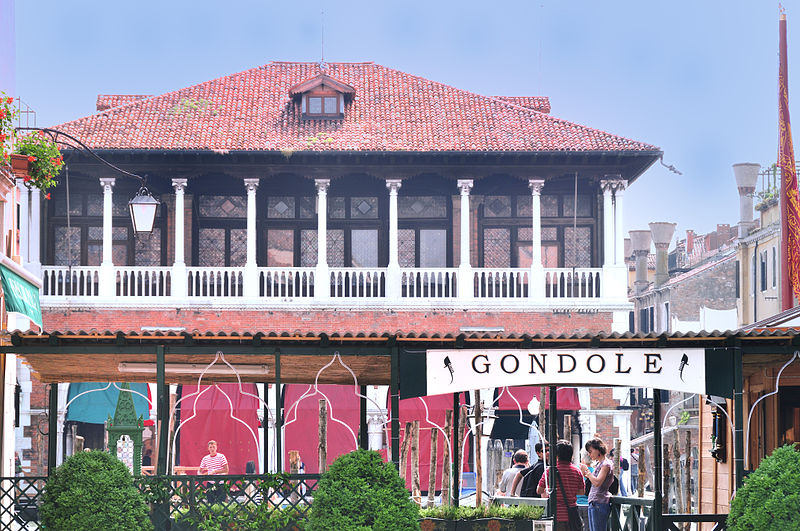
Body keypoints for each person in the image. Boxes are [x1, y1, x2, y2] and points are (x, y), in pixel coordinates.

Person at [537, 440, 584, 531]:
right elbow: (581, 492)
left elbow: (539, 490)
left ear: (556, 455)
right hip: (572, 516)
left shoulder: (550, 471)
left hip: (556, 514)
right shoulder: (577, 471)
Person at [581, 438, 613, 531]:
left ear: (598, 449)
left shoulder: (605, 465)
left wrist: (587, 471)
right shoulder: (600, 464)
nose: (589, 454)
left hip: (599, 502)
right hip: (595, 502)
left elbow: (597, 482)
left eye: (590, 451)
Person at [199, 440, 229, 504]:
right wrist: (202, 475)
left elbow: (226, 470)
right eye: (210, 447)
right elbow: (200, 470)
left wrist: (215, 471)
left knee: (221, 503)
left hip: (220, 482)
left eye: (213, 447)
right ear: (208, 448)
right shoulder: (205, 458)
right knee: (210, 502)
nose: (212, 449)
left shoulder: (221, 457)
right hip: (210, 482)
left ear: (216, 447)